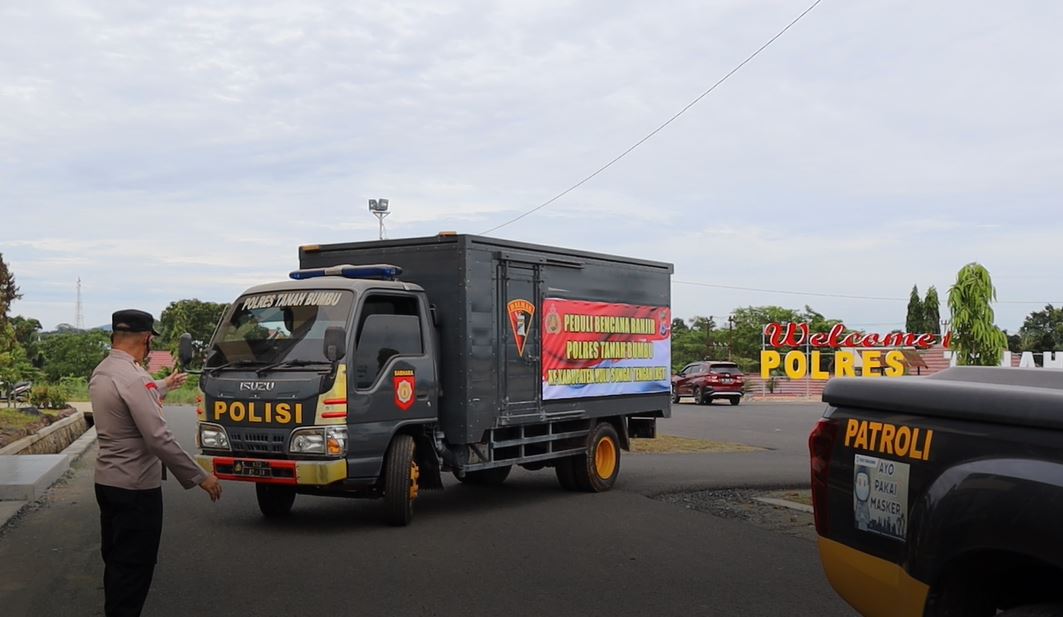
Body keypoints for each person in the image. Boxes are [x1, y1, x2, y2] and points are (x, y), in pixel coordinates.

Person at [89, 309, 223, 617]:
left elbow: (126, 399)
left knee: (117, 561)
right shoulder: (136, 378)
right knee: (135, 568)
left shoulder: (103, 371)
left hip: (107, 482)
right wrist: (201, 476)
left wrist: (162, 385)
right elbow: (159, 438)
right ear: (147, 339)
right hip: (136, 488)